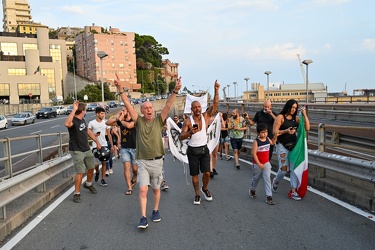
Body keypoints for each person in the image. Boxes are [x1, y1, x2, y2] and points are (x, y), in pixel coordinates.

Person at [115, 74, 182, 229]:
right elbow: (127, 103)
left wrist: (175, 91)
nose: (149, 110)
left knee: (156, 189)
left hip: (157, 162)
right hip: (143, 162)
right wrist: (120, 88)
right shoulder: (138, 121)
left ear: (153, 110)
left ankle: (156, 210)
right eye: (145, 108)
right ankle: (143, 217)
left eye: (150, 107)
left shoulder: (159, 121)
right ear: (142, 111)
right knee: (143, 190)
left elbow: (167, 105)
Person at [180, 80, 220, 205]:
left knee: (207, 173)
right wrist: (190, 133)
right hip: (192, 151)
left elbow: (215, 105)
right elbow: (181, 136)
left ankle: (205, 188)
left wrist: (216, 91)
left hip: (204, 149)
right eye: (195, 107)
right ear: (191, 109)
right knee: (195, 175)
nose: (197, 109)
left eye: (199, 107)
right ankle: (197, 194)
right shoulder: (188, 121)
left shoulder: (206, 116)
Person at [272, 99, 310, 200]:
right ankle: (276, 181)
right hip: (282, 145)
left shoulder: (296, 119)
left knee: (294, 168)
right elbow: (275, 132)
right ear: (287, 107)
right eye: (292, 107)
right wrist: (286, 131)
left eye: (295, 108)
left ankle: (293, 191)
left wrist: (304, 115)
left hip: (293, 146)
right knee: (284, 169)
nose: (293, 110)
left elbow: (307, 127)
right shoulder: (280, 117)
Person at [65, 101, 101, 203]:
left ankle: (88, 184)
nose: (86, 111)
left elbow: (88, 132)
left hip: (86, 148)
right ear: (82, 111)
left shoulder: (82, 120)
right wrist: (73, 110)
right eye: (85, 110)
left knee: (91, 168)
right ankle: (76, 193)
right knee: (80, 172)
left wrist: (97, 142)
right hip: (77, 150)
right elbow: (67, 123)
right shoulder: (74, 121)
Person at [106, 107, 138, 196]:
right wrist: (117, 118)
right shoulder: (120, 121)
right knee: (126, 167)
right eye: (122, 110)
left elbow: (129, 126)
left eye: (124, 110)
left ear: (129, 111)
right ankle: (129, 188)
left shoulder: (135, 119)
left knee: (135, 169)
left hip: (135, 147)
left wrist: (120, 121)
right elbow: (107, 123)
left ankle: (135, 176)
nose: (122, 112)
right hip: (124, 148)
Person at [249, 123, 278, 205]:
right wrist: (259, 164)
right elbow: (254, 154)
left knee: (267, 179)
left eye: (266, 132)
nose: (265, 134)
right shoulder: (256, 141)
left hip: (266, 163)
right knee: (256, 178)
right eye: (262, 132)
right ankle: (252, 189)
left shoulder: (267, 139)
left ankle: (269, 196)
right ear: (258, 133)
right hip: (257, 164)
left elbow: (272, 143)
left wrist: (275, 137)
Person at [88, 107, 113, 187]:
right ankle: (97, 172)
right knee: (96, 164)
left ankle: (102, 179)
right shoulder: (91, 123)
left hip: (104, 144)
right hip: (95, 145)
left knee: (104, 163)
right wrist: (95, 135)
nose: (103, 115)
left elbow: (109, 134)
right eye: (101, 113)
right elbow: (88, 134)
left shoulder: (106, 123)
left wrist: (112, 145)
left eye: (103, 113)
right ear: (97, 114)